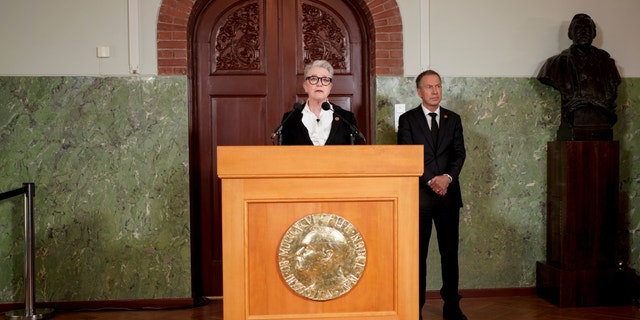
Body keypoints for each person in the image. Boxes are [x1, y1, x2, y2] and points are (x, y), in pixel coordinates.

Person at [397, 70, 467, 320]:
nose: (435, 91)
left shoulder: (454, 119)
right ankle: (415, 307)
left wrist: (447, 178)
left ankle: (451, 305)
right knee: (419, 255)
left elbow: (459, 154)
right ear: (419, 91)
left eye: (438, 86)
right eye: (429, 87)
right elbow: (407, 154)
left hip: (448, 196)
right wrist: (430, 180)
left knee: (450, 254)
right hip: (420, 198)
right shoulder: (407, 120)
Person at [537, 13, 621, 139]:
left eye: (587, 28)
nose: (583, 32)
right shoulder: (555, 65)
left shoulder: (607, 64)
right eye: (578, 28)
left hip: (603, 125)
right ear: (570, 34)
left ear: (594, 33)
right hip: (575, 123)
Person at [278, 60, 364, 145]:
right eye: (313, 79)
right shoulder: (290, 119)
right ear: (305, 86)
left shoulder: (346, 118)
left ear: (330, 87)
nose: (319, 84)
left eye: (325, 79)